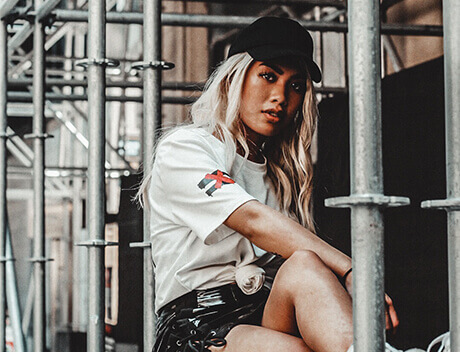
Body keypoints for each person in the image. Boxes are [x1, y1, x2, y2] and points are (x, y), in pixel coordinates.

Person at [138, 16, 408, 352]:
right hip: (198, 324)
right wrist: (354, 271)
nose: (280, 96)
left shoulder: (280, 176)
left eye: (296, 85)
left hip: (264, 312)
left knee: (304, 264)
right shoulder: (187, 148)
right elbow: (253, 221)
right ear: (235, 77)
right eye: (268, 76)